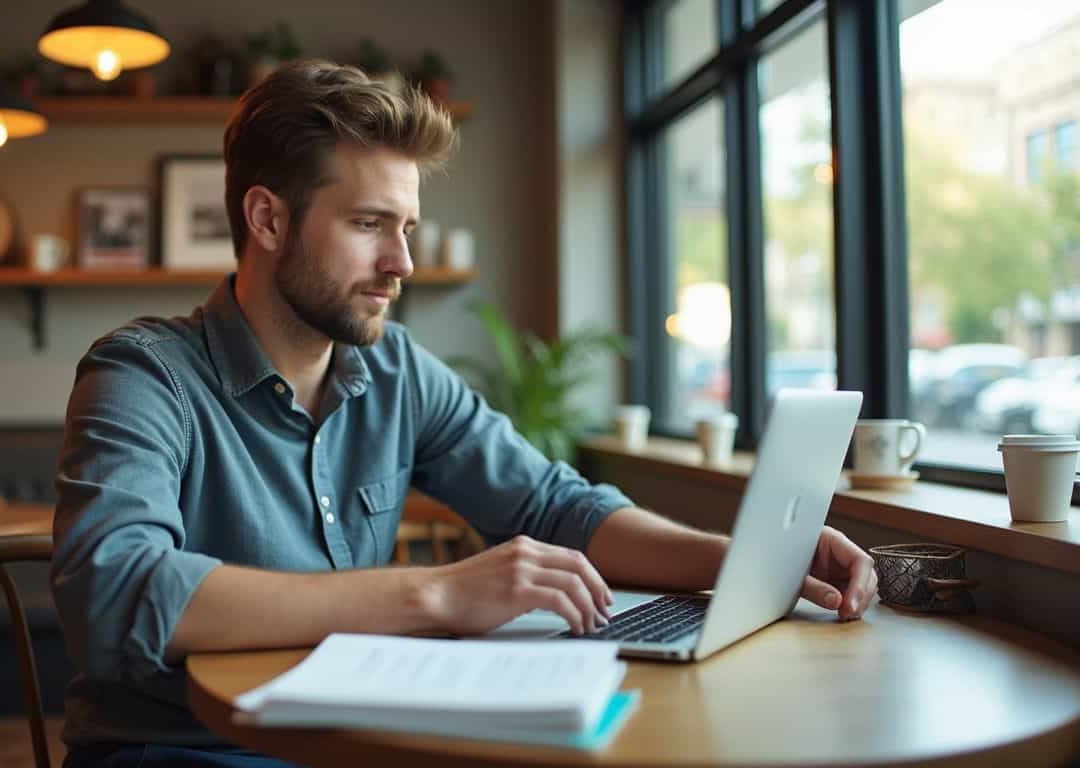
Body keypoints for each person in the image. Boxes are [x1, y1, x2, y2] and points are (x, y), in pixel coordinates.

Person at [52, 59, 878, 768]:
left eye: (406, 227)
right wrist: (436, 597)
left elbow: (559, 508)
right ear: (267, 218)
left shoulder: (398, 371)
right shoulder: (143, 374)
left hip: (360, 739)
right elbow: (118, 598)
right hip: (185, 751)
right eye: (369, 224)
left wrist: (749, 563)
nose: (401, 263)